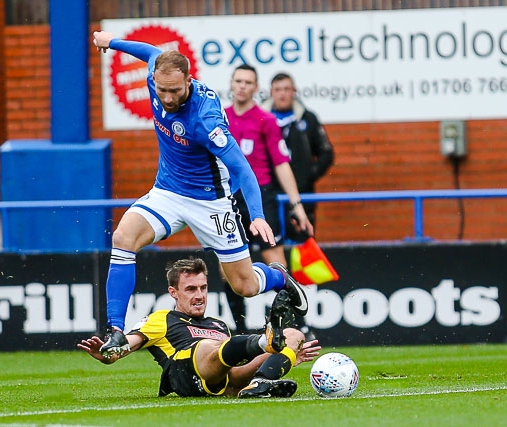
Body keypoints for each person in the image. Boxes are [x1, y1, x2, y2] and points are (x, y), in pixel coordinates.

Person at [91, 31, 309, 356]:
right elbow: (151, 51)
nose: (167, 97)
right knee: (123, 236)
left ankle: (278, 278)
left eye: (175, 91)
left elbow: (242, 169)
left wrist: (258, 216)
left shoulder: (206, 120)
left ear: (189, 80)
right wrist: (113, 41)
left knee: (245, 285)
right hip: (167, 191)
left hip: (210, 202)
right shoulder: (159, 76)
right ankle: (117, 331)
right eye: (162, 90)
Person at [78, 258, 322, 398]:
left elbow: (230, 379)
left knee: (294, 335)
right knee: (209, 346)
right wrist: (109, 354)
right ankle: (264, 341)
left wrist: (279, 358)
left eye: (203, 288)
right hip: (183, 370)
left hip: (215, 375)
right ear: (173, 293)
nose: (199, 295)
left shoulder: (218, 325)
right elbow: (125, 344)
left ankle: (261, 382)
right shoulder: (161, 319)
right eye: (191, 289)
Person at [222, 64, 313, 334]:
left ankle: (297, 325)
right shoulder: (219, 117)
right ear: (231, 84)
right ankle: (239, 330)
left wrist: (297, 206)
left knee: (276, 260)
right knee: (226, 265)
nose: (242, 86)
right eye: (238, 81)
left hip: (261, 197)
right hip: (226, 198)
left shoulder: (266, 120)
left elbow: (282, 165)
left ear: (255, 87)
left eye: (248, 82)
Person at [260, 72, 334, 241]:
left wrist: (307, 175)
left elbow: (326, 153)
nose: (282, 93)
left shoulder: (308, 119)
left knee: (303, 243)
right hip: (268, 194)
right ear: (271, 92)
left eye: (286, 89)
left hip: (302, 195)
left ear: (294, 91)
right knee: (271, 244)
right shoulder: (260, 119)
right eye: (278, 89)